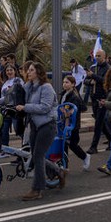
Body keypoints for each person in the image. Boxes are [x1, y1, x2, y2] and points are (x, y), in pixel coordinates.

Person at [17, 62, 65, 200]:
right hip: (34, 125)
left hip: (47, 125)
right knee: (36, 155)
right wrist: (0, 101)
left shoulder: (46, 87)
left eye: (31, 70)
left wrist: (25, 107)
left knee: (38, 155)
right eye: (28, 70)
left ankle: (37, 189)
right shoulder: (29, 87)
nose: (28, 72)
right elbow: (16, 95)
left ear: (38, 72)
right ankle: (59, 171)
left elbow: (45, 107)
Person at [59, 74, 91, 171]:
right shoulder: (63, 94)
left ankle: (85, 156)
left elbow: (77, 109)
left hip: (73, 125)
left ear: (73, 84)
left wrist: (68, 112)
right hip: (63, 124)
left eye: (67, 82)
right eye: (64, 82)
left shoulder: (74, 96)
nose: (64, 84)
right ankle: (64, 166)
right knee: (63, 144)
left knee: (72, 145)